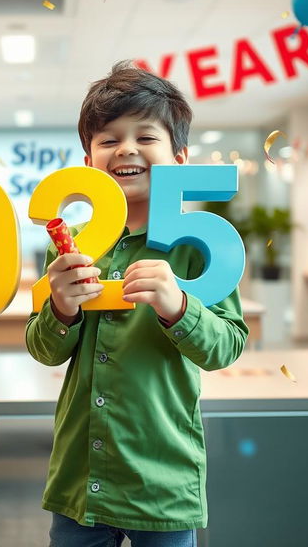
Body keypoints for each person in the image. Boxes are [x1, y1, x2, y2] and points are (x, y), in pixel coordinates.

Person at [25, 61, 248, 547]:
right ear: (89, 164)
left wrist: (178, 306)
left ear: (180, 158)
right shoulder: (70, 245)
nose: (126, 148)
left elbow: (228, 346)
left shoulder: (200, 245)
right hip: (81, 478)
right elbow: (43, 350)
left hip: (162, 482)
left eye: (146, 137)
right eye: (108, 140)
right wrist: (61, 309)